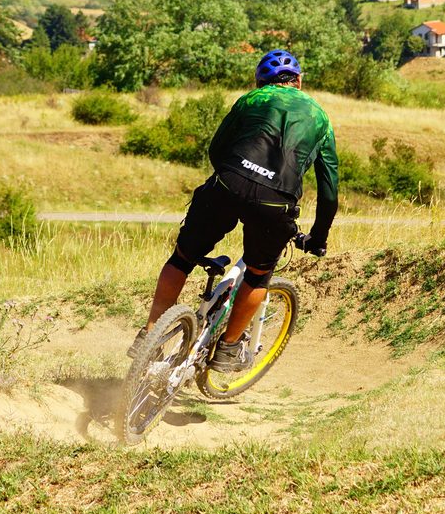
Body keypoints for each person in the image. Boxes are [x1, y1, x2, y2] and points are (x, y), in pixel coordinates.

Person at [131, 49, 339, 371]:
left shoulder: (251, 100)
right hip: (275, 202)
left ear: (260, 82)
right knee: (258, 275)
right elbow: (329, 192)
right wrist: (318, 238)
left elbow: (217, 149)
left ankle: (148, 335)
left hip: (229, 182)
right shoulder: (320, 119)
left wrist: (232, 183)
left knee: (183, 258)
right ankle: (228, 349)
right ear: (299, 81)